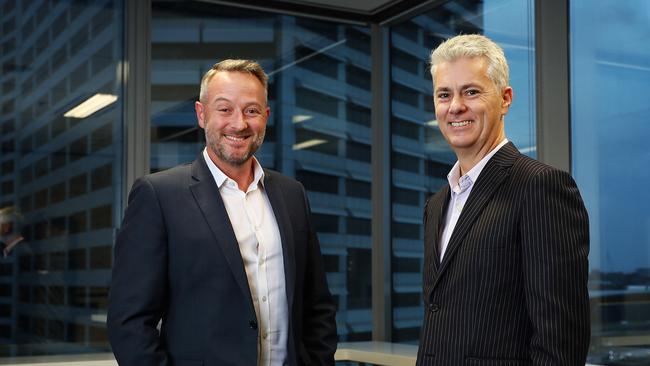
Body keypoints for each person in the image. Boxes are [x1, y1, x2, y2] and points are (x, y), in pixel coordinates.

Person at [107, 59, 337, 366]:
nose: (239, 123)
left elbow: (317, 305)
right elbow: (130, 323)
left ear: (266, 117)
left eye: (251, 110)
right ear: (202, 115)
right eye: (224, 109)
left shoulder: (292, 194)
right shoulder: (158, 195)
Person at [417, 34, 590, 365]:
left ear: (505, 98)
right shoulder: (438, 203)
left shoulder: (541, 186)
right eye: (444, 94)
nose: (456, 107)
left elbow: (560, 340)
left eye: (471, 91)